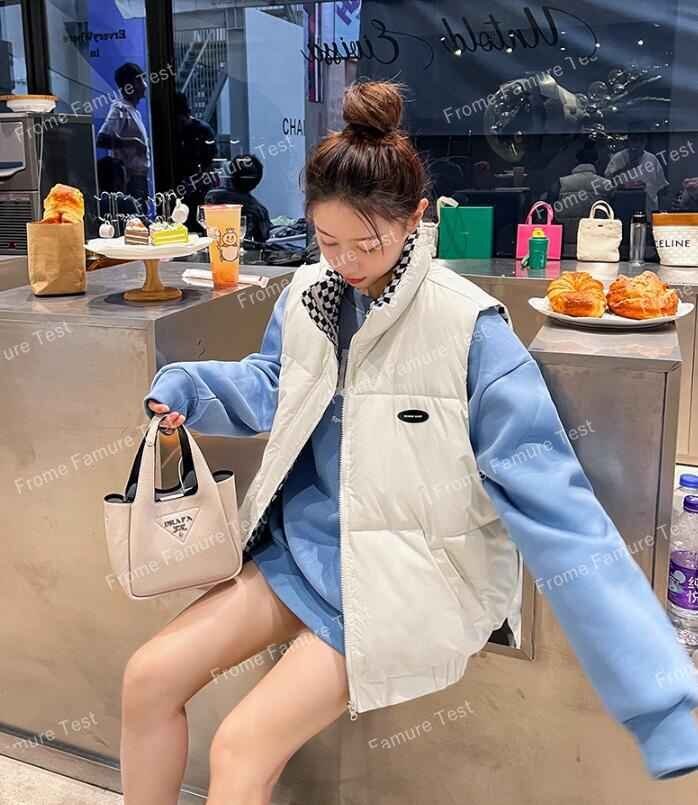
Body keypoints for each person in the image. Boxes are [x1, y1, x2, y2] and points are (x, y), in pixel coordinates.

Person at [122, 81, 698, 803]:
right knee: (146, 679)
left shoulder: (469, 330)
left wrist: (661, 702)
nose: (347, 261)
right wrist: (188, 385)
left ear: (417, 218)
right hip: (302, 552)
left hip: (401, 577)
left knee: (241, 747)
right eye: (327, 240)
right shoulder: (308, 295)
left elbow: (562, 514)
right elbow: (276, 383)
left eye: (367, 243)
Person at [96, 63, 151, 210]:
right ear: (129, 85)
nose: (144, 85)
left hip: (138, 179)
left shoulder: (134, 111)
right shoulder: (119, 108)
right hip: (129, 181)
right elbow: (102, 139)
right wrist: (133, 142)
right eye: (140, 80)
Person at [173, 91, 217, 232]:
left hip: (198, 185)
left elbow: (209, 162)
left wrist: (199, 180)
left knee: (198, 220)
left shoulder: (202, 130)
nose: (179, 124)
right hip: (178, 185)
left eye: (180, 120)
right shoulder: (171, 131)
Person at [204, 154, 272, 244]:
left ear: (231, 174)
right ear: (257, 180)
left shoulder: (211, 196)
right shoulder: (258, 210)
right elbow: (264, 240)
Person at [603, 123, 669, 215]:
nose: (637, 144)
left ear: (645, 141)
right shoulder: (618, 158)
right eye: (634, 140)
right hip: (623, 208)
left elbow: (662, 188)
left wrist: (661, 213)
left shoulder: (652, 159)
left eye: (641, 140)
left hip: (648, 208)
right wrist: (627, 168)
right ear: (628, 141)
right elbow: (607, 184)